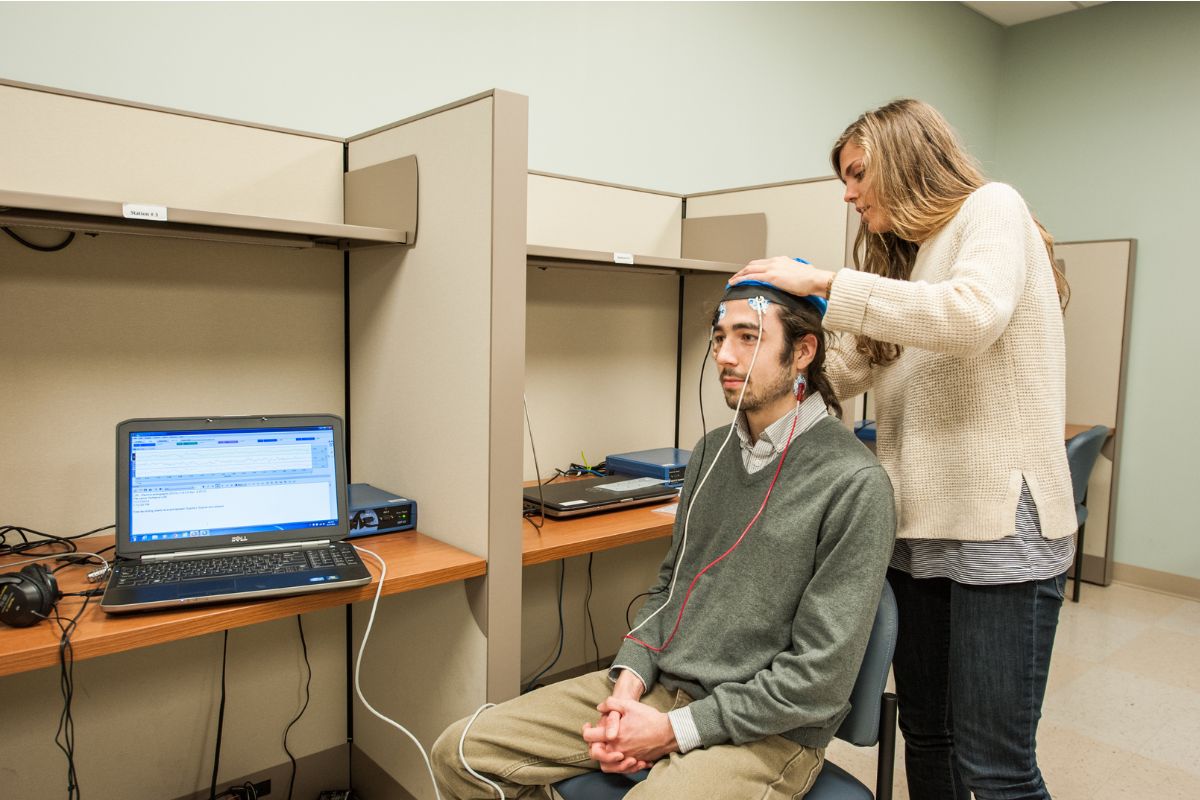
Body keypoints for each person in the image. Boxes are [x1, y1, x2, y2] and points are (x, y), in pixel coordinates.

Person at [730, 98, 1076, 800]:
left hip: (996, 534)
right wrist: (760, 350)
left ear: (907, 158)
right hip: (915, 536)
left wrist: (827, 284)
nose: (850, 194)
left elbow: (972, 317)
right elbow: (847, 366)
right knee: (928, 732)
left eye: (858, 174)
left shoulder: (992, 210)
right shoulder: (908, 268)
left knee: (996, 766)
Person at [430, 283, 895, 799]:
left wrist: (672, 731)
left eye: (748, 337)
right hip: (658, 689)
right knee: (461, 752)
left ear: (803, 352)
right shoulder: (710, 453)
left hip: (766, 732)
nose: (724, 355)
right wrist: (630, 676)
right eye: (719, 338)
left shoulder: (855, 483)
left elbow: (818, 682)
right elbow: (670, 586)